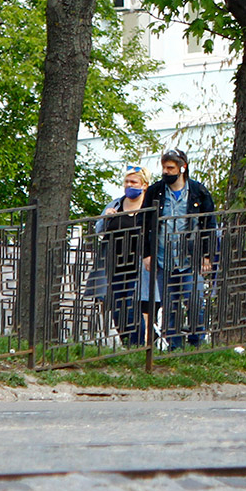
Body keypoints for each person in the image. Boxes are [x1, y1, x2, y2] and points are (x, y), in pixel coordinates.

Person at [141, 148, 217, 350]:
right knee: (170, 305)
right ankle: (174, 347)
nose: (166, 172)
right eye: (164, 167)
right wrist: (146, 254)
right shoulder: (155, 191)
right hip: (163, 257)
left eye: (170, 168)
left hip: (189, 258)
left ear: (182, 168)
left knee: (195, 301)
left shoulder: (198, 192)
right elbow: (145, 223)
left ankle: (196, 344)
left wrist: (207, 256)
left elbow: (209, 224)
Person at [96, 165, 152, 346]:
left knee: (131, 306)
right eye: (127, 181)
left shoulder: (149, 207)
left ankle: (137, 346)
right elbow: (99, 230)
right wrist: (107, 217)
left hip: (138, 265)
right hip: (115, 263)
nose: (129, 185)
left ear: (144, 185)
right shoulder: (116, 204)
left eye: (134, 182)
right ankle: (126, 343)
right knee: (117, 308)